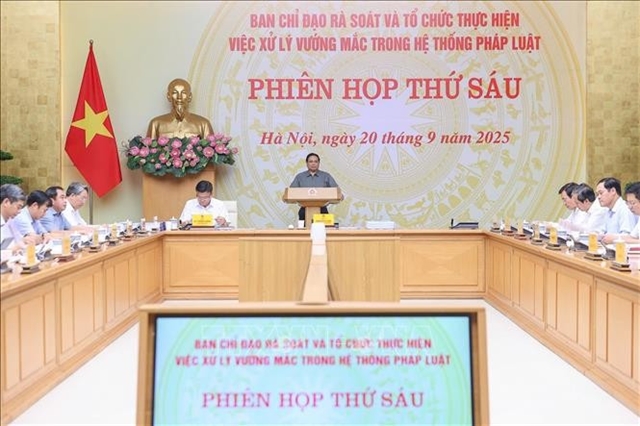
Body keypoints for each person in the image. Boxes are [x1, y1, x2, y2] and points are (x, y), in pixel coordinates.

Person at [146, 78, 214, 139]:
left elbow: (210, 147)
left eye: (184, 93)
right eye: (174, 93)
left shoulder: (203, 124)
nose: (179, 97)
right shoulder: (156, 124)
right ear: (169, 96)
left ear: (190, 97)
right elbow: (149, 148)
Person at [289, 152, 343, 221]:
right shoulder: (300, 177)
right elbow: (291, 193)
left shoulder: (326, 176)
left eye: (315, 161)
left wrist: (339, 195)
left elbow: (338, 193)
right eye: (311, 161)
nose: (313, 164)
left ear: (319, 163)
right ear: (307, 163)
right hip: (304, 211)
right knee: (305, 228)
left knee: (323, 228)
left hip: (322, 210)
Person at [596, 177, 637, 244]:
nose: (598, 197)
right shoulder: (607, 210)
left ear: (613, 191)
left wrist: (612, 238)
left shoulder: (625, 209)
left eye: (601, 193)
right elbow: (603, 232)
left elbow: (628, 236)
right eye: (597, 194)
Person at [0, 184, 38, 254]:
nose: (20, 211)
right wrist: (14, 249)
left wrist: (24, 241)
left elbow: (19, 241)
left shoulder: (10, 221)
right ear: (6, 202)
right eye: (18, 207)